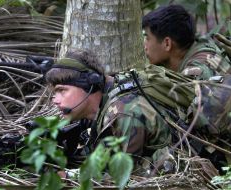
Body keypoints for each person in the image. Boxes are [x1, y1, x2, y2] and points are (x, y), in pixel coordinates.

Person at [45, 48, 172, 176]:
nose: (55, 100)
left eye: (62, 90)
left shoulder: (124, 113)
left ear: (89, 84)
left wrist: (67, 176)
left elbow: (121, 178)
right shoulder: (96, 109)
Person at [142, 4, 231, 80]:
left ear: (167, 43)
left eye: (147, 38)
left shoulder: (195, 72)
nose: (144, 45)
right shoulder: (200, 46)